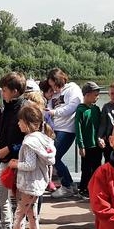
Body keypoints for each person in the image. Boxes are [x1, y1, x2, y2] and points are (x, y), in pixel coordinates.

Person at [6, 104, 56, 229]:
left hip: (29, 185)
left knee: (19, 216)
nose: (18, 124)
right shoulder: (42, 139)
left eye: (20, 121)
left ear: (27, 123)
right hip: (37, 183)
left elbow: (30, 165)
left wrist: (14, 164)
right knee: (32, 215)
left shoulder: (28, 142)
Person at [0, 72, 28, 229]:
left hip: (18, 161)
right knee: (0, 194)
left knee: (16, 199)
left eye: (5, 90)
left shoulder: (24, 109)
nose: (3, 93)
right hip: (4, 159)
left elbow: (28, 138)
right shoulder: (6, 108)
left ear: (15, 91)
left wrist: (8, 149)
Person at [44, 68, 81, 198]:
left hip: (67, 129)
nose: (54, 88)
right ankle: (68, 185)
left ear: (60, 80)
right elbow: (48, 108)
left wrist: (55, 112)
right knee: (52, 157)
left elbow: (73, 106)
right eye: (51, 86)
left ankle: (68, 185)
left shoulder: (73, 89)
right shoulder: (54, 94)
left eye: (55, 85)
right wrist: (48, 100)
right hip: (55, 128)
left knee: (54, 157)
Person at [75, 81, 103, 199]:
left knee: (97, 167)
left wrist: (100, 138)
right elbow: (78, 128)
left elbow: (100, 126)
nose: (97, 97)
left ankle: (94, 188)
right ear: (86, 95)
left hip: (97, 144)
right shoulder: (80, 110)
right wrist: (81, 145)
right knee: (86, 168)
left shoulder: (96, 109)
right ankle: (83, 189)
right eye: (95, 95)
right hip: (86, 145)